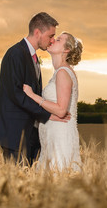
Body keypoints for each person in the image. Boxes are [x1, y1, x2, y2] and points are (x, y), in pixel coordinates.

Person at [0, 12, 63, 163]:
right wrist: (46, 115)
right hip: (15, 132)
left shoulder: (31, 55)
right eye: (50, 35)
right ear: (37, 32)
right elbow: (16, 94)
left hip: (29, 131)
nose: (52, 40)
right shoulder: (15, 54)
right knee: (17, 179)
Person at [23, 32, 83, 171]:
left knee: (59, 175)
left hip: (60, 135)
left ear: (66, 49)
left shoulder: (63, 72)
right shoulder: (60, 72)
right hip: (51, 134)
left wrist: (32, 95)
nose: (52, 41)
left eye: (58, 40)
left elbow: (61, 110)